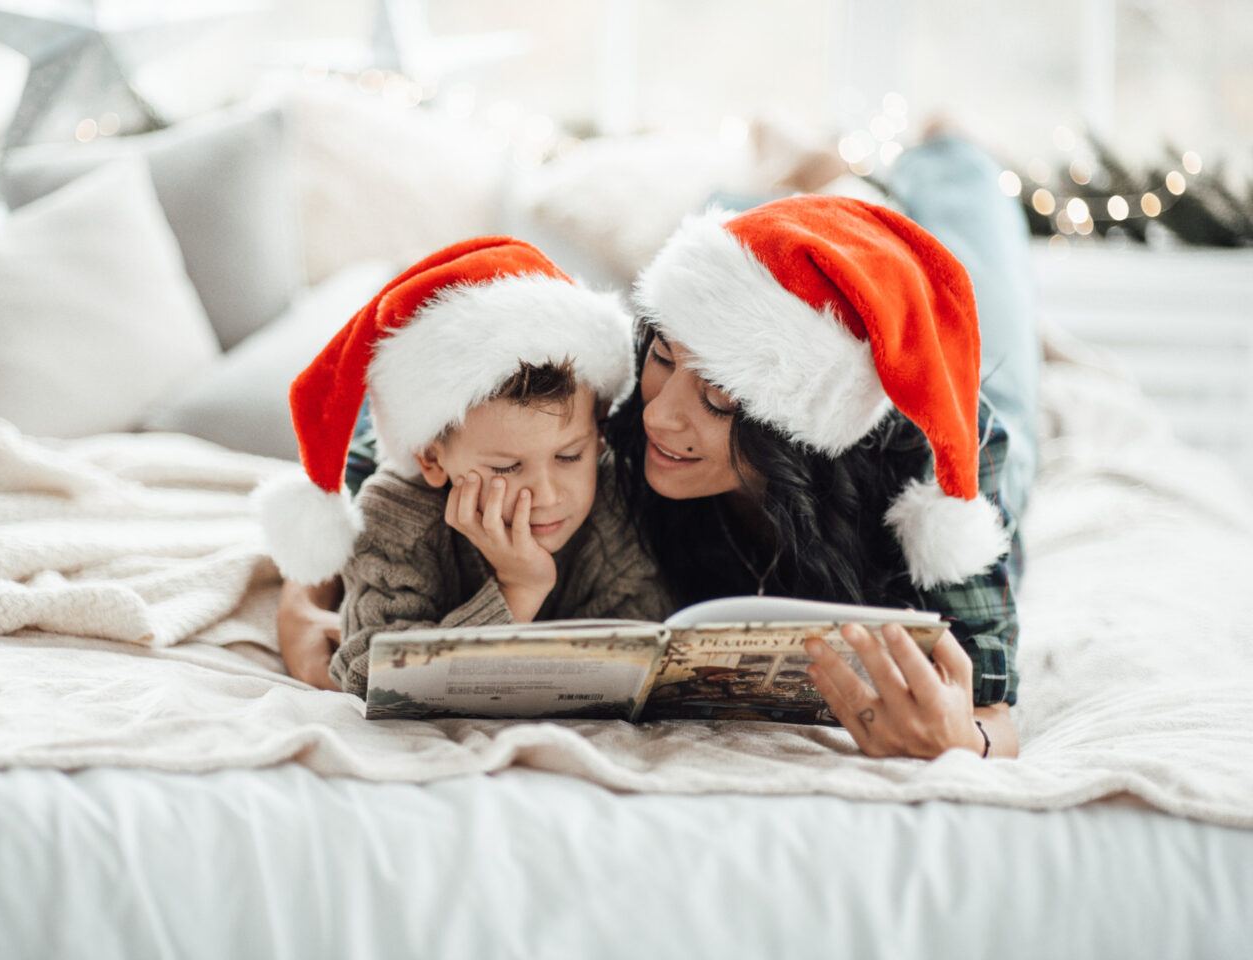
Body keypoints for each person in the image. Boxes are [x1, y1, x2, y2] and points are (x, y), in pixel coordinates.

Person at [277, 137, 1038, 761]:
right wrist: (301, 599)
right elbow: (400, 439)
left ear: (792, 425)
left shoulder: (940, 468)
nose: (662, 417)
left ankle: (935, 153)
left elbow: (990, 706)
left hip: (960, 406)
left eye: (717, 398)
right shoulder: (614, 408)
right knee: (759, 235)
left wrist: (963, 740)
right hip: (769, 268)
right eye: (664, 355)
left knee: (968, 249)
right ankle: (790, 181)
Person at [255, 236, 670, 696]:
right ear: (432, 459)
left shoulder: (613, 499)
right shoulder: (395, 520)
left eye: (570, 456)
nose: (549, 495)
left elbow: (643, 646)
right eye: (508, 468)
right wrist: (518, 590)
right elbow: (371, 674)